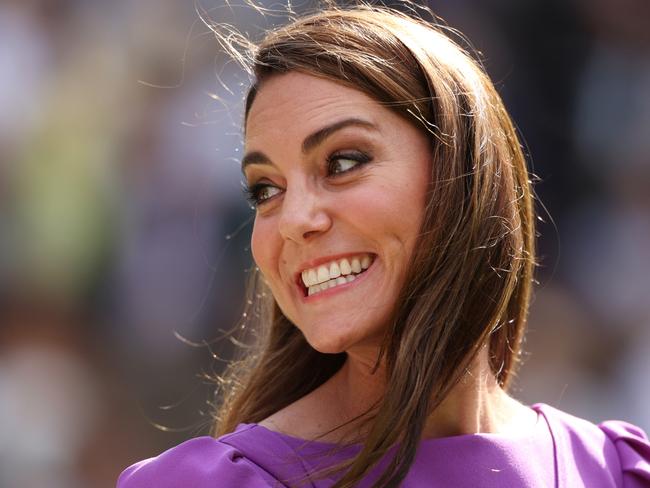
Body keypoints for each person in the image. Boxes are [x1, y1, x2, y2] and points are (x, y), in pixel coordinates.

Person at [117, 5, 650, 487]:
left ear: (463, 174)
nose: (295, 220)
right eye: (266, 190)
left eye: (343, 162)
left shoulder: (616, 470)